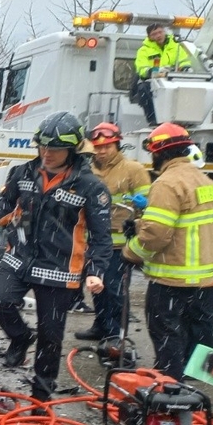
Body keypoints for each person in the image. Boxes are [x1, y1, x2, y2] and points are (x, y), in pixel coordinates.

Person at [0, 111, 112, 401]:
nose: (47, 153)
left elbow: (102, 238)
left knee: (51, 336)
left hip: (59, 268)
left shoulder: (91, 187)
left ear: (73, 149)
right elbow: (5, 201)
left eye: (55, 149)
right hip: (19, 255)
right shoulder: (23, 172)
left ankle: (42, 396)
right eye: (42, 146)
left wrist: (95, 271)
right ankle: (20, 337)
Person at [122, 122, 213, 380]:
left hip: (172, 279)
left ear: (159, 153)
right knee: (198, 333)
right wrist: (141, 224)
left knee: (167, 333)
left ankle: (169, 387)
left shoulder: (167, 183)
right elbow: (185, 224)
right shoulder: (205, 180)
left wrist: (130, 251)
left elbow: (156, 236)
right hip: (205, 280)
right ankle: (193, 388)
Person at [74, 122, 151, 340]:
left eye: (107, 146)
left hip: (120, 244)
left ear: (117, 144)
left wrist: (142, 210)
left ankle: (116, 333)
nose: (102, 151)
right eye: (98, 147)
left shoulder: (133, 170)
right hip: (93, 241)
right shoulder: (87, 170)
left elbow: (150, 205)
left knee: (115, 289)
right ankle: (101, 325)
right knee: (97, 286)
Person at [131, 24, 191, 126]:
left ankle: (184, 119)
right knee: (143, 89)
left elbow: (184, 61)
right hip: (153, 81)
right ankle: (154, 121)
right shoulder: (143, 51)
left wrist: (185, 67)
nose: (158, 35)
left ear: (164, 32)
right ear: (149, 37)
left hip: (174, 80)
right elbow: (141, 68)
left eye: (160, 32)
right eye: (154, 34)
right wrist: (150, 71)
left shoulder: (176, 47)